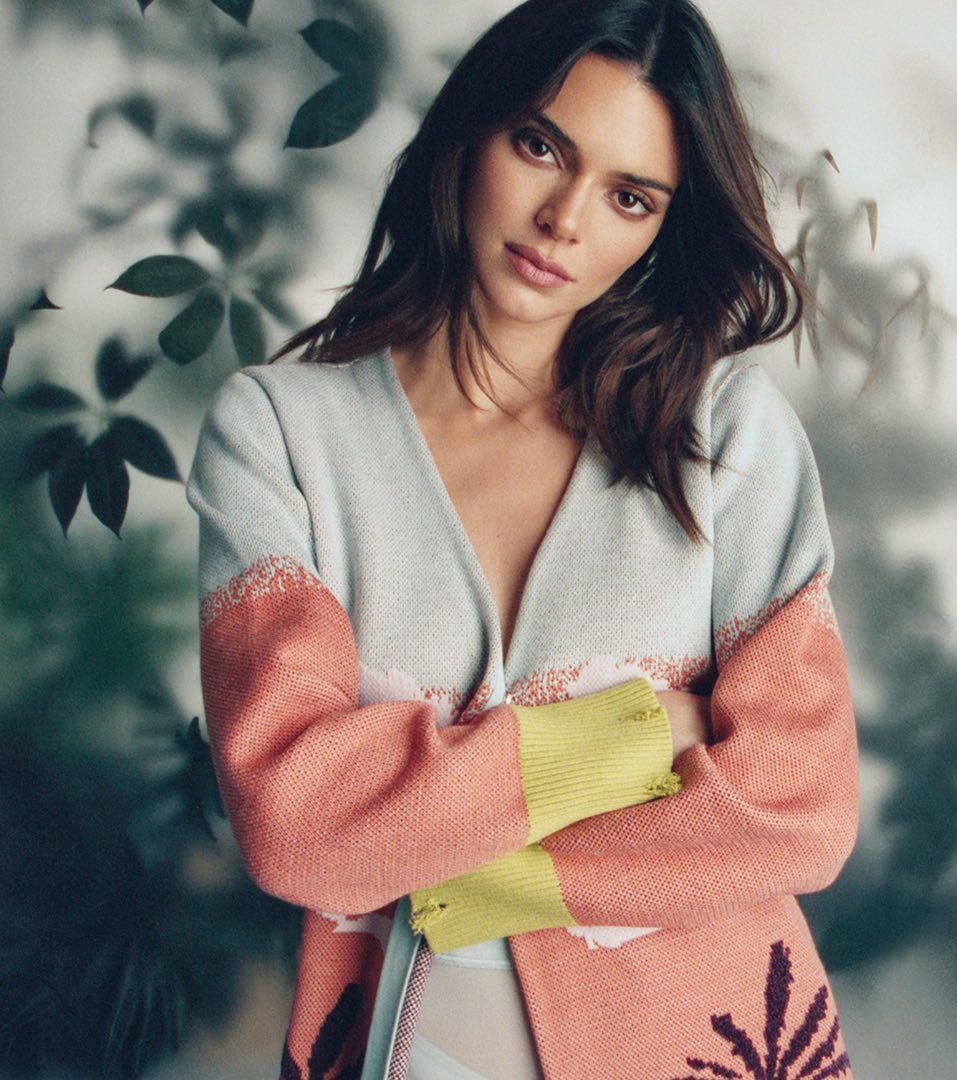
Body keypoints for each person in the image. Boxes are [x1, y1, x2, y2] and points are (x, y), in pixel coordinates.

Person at [186, 0, 860, 1076]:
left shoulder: (724, 432)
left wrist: (456, 862)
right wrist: (633, 739)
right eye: (541, 146)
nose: (564, 220)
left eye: (629, 196)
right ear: (473, 130)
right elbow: (293, 821)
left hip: (715, 1042)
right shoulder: (279, 434)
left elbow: (800, 802)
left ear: (663, 228)